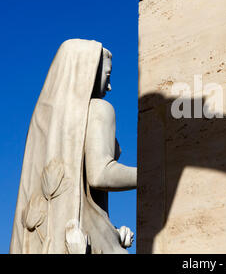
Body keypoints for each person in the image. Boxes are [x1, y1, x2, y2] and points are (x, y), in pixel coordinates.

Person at [10, 39, 137, 254]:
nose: (109, 86)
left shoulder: (43, 123)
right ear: (88, 72)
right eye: (107, 76)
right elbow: (100, 174)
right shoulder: (99, 108)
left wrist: (113, 232)